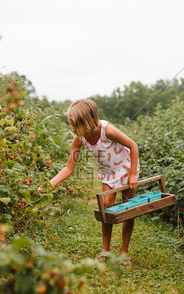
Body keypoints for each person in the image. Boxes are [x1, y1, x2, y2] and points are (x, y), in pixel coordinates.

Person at [47, 99, 139, 265]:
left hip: (125, 168)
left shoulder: (108, 130)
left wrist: (133, 174)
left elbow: (133, 146)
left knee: (128, 208)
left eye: (75, 125)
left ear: (86, 122)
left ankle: (124, 251)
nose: (73, 129)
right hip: (108, 173)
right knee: (106, 206)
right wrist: (50, 184)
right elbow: (69, 168)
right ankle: (106, 250)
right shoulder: (80, 138)